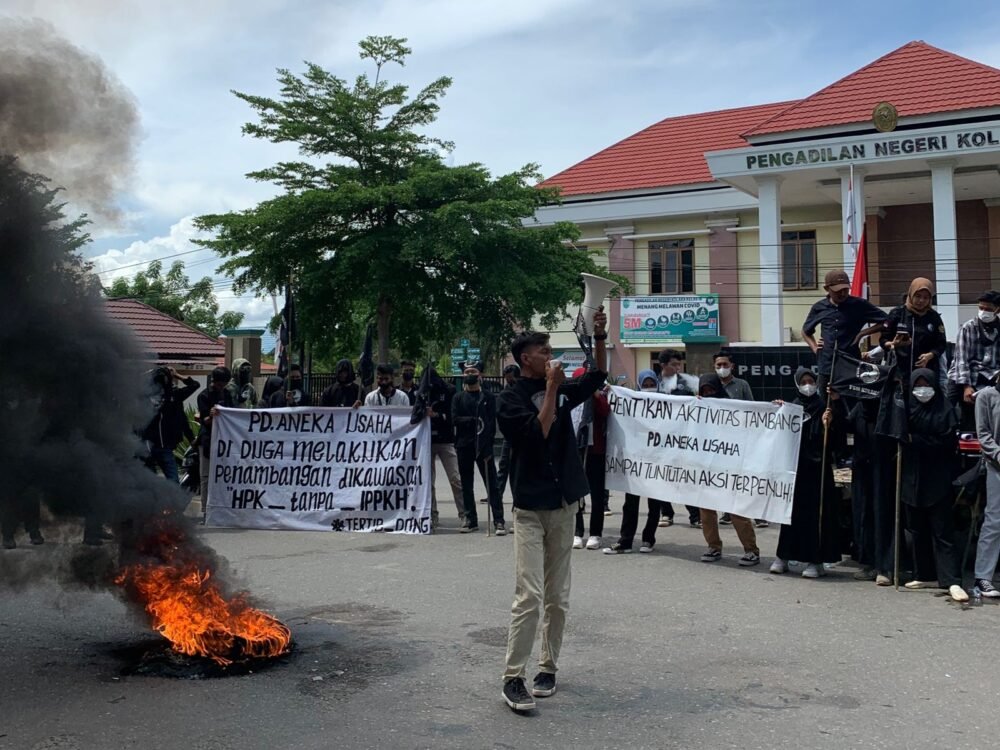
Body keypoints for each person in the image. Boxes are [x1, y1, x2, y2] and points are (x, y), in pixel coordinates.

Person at [497, 310, 607, 712]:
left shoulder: (558, 387)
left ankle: (548, 667)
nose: (550, 355)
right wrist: (551, 389)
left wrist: (599, 337)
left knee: (557, 597)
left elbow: (597, 377)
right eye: (544, 350)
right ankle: (512, 677)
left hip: (565, 504)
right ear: (525, 358)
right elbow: (538, 432)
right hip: (529, 508)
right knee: (530, 595)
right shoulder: (508, 399)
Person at [896, 368, 967, 602]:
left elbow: (945, 442)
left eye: (927, 384)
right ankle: (923, 573)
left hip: (938, 479)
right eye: (918, 384)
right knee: (917, 530)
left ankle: (951, 580)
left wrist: (914, 440)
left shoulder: (945, 410)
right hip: (911, 479)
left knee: (942, 532)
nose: (922, 390)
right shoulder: (905, 410)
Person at [769, 369, 842, 578]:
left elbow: (836, 443)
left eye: (811, 381)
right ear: (797, 384)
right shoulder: (791, 408)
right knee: (791, 515)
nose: (808, 385)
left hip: (818, 471)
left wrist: (829, 424)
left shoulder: (825, 407)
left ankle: (815, 560)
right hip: (795, 469)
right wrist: (775, 411)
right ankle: (783, 557)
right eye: (804, 381)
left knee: (816, 517)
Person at [696, 373, 761, 567]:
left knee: (736, 510)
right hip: (706, 467)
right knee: (706, 511)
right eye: (704, 391)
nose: (708, 394)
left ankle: (751, 550)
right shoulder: (696, 410)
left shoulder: (733, 409)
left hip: (730, 466)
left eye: (711, 390)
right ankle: (713, 546)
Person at [603, 370, 668, 555]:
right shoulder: (632, 403)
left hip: (657, 461)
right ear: (639, 385)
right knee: (630, 503)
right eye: (645, 385)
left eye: (651, 384)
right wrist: (610, 393)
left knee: (654, 503)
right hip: (635, 462)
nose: (648, 388)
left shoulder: (666, 403)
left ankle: (648, 539)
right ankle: (625, 541)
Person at [802, 269, 887, 399]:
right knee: (827, 405)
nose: (842, 293)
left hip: (851, 364)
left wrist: (862, 333)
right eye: (837, 291)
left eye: (845, 290)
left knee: (853, 404)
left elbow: (886, 321)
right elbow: (805, 331)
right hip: (827, 365)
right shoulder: (819, 307)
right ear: (827, 289)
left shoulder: (859, 305)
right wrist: (815, 348)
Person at [712, 351, 766, 527]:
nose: (722, 368)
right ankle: (728, 512)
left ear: (732, 366)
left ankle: (757, 514)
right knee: (727, 478)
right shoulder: (710, 385)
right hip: (720, 441)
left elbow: (752, 408)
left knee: (747, 477)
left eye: (725, 365)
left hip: (742, 439)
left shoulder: (742, 385)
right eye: (718, 365)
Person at [452, 361, 506, 535]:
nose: (470, 374)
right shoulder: (458, 397)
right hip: (464, 446)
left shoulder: (488, 397)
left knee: (492, 485)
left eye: (473, 371)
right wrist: (469, 420)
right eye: (467, 371)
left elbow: (491, 423)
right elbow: (454, 419)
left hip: (484, 448)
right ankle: (470, 519)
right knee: (466, 485)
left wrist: (488, 447)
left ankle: (498, 520)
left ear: (480, 374)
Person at [656, 349, 700, 527]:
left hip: (683, 438)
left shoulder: (687, 383)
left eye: (679, 364)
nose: (677, 367)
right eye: (674, 364)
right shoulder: (652, 382)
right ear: (663, 365)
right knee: (661, 476)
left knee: (686, 477)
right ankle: (666, 513)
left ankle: (695, 515)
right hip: (660, 438)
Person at [874, 278, 946, 383]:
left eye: (926, 298)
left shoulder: (934, 317)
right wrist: (893, 344)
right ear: (911, 294)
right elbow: (883, 339)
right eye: (918, 296)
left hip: (926, 373)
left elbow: (941, 344)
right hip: (898, 372)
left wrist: (930, 355)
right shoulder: (897, 314)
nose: (921, 301)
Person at [948, 290, 1000, 429]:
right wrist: (966, 386)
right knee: (947, 409)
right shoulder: (967, 328)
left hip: (990, 375)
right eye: (981, 308)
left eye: (988, 309)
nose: (983, 312)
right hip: (963, 375)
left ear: (997, 310)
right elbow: (961, 360)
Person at [571, 369, 609, 550]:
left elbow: (605, 411)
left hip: (596, 451)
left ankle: (595, 533)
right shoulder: (571, 398)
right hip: (575, 451)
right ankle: (577, 532)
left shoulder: (597, 396)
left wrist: (595, 394)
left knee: (597, 495)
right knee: (576, 494)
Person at [423, 368, 465, 529]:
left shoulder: (448, 391)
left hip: (446, 439)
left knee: (455, 478)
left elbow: (452, 415)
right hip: (427, 441)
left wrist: (437, 415)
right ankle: (432, 515)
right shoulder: (422, 392)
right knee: (428, 482)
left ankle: (464, 513)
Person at [142, 366, 199, 483]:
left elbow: (194, 385)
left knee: (173, 482)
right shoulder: (145, 397)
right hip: (147, 446)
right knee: (148, 483)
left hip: (166, 448)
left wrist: (177, 375)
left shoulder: (174, 395)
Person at [974, 372, 1000, 598]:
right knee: (994, 520)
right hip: (996, 466)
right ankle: (983, 576)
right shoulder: (986, 396)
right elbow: (983, 435)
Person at [197, 366, 234, 521]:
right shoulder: (204, 396)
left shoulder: (227, 394)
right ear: (213, 381)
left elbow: (233, 415)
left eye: (224, 384)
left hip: (224, 441)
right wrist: (212, 416)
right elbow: (204, 420)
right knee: (206, 476)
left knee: (223, 476)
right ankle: (206, 510)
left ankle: (224, 508)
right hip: (207, 441)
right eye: (219, 384)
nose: (221, 387)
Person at [495, 364, 520, 501]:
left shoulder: (521, 389)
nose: (509, 381)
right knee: (503, 464)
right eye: (507, 379)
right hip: (508, 435)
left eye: (511, 378)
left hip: (521, 434)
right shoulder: (506, 391)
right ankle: (498, 493)